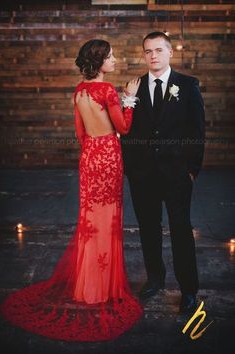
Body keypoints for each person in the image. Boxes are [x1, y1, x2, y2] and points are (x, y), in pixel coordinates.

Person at [0, 39, 143, 341]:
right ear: (100, 61)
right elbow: (124, 128)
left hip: (89, 157)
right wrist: (129, 98)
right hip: (108, 156)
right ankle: (102, 289)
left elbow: (80, 132)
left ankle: (86, 287)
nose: (115, 60)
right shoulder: (106, 91)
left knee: (90, 222)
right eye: (111, 56)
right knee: (109, 221)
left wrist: (94, 146)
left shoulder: (78, 91)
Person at [121, 32, 205, 313]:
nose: (153, 55)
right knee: (148, 230)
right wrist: (131, 169)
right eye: (148, 51)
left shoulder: (187, 85)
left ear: (170, 53)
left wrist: (192, 169)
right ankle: (155, 278)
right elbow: (127, 129)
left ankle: (189, 290)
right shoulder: (134, 87)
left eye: (158, 50)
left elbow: (197, 131)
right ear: (143, 55)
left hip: (176, 174)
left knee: (181, 230)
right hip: (143, 175)